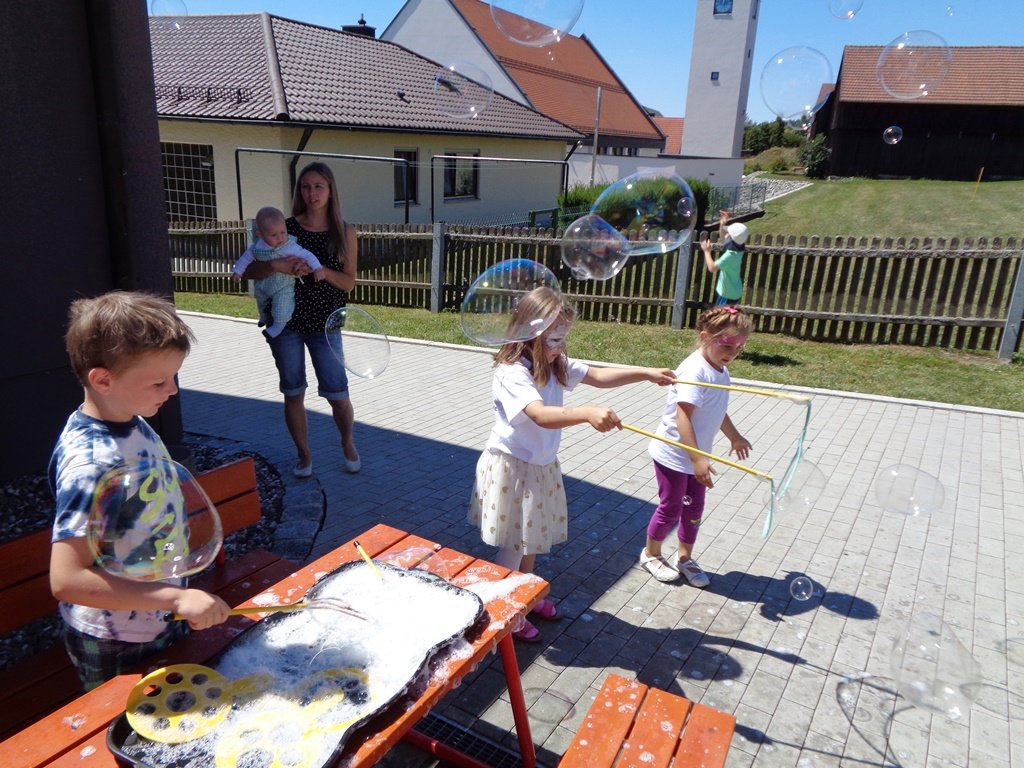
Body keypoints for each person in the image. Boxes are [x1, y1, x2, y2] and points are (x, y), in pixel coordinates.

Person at [468, 287, 674, 642]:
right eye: (555, 338)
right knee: (514, 545)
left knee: (531, 541)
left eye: (564, 338)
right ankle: (503, 610)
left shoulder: (554, 363)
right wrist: (586, 413)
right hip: (513, 469)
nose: (561, 346)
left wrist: (645, 372)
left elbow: (597, 375)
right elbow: (540, 415)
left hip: (539, 465)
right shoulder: (511, 372)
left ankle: (525, 597)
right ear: (529, 333)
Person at [48, 291, 231, 691]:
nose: (173, 390)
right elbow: (66, 579)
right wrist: (174, 600)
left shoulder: (131, 420)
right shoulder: (91, 464)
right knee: (133, 735)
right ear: (103, 380)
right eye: (159, 381)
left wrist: (173, 600)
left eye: (174, 376)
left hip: (156, 612)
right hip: (114, 638)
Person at [240, 162, 360, 478]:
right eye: (305, 186)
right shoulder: (284, 227)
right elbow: (250, 269)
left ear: (331, 189)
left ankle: (348, 443)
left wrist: (319, 270)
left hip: (327, 321)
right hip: (286, 322)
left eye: (318, 186)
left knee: (337, 392)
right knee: (293, 390)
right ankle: (304, 455)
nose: (311, 193)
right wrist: (277, 266)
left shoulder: (345, 231)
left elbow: (348, 283)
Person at [641, 305, 754, 587]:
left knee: (694, 508)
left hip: (695, 456)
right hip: (674, 454)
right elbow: (683, 418)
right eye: (726, 344)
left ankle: (684, 557)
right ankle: (651, 554)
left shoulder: (720, 369)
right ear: (705, 337)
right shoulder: (695, 371)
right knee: (671, 507)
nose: (732, 353)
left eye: (739, 347)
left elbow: (716, 410)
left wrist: (734, 436)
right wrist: (697, 460)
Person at [232, 206, 326, 339]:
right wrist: (238, 272)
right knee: (261, 300)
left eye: (283, 232)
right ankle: (263, 317)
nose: (280, 238)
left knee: (282, 306)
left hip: (283, 286)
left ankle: (278, 326)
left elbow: (307, 255)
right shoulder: (257, 246)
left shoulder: (289, 246)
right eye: (273, 235)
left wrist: (317, 268)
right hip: (264, 284)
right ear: (261, 235)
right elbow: (245, 259)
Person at [701, 209, 749, 306]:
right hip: (733, 291)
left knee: (719, 318)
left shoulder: (730, 255)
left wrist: (707, 251)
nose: (727, 236)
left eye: (729, 235)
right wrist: (722, 224)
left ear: (731, 240)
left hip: (727, 295)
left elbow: (712, 267)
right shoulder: (739, 248)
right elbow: (724, 237)